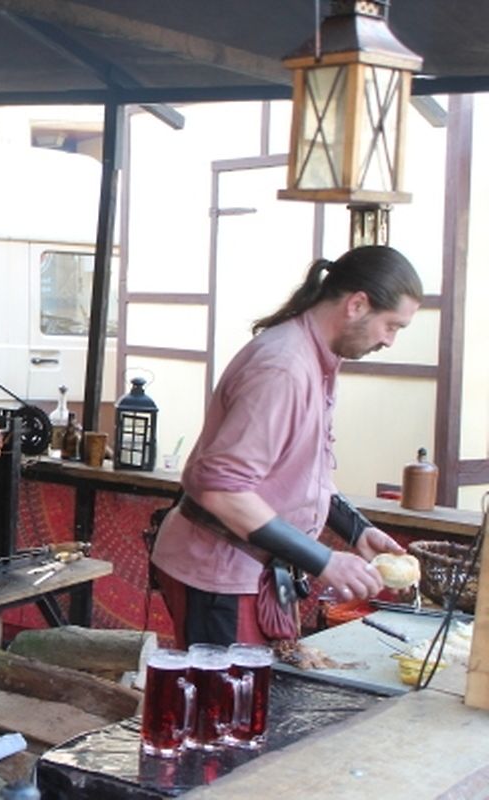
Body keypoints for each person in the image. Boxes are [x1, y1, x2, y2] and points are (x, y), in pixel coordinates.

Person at [150, 245, 423, 647]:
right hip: (220, 571)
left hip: (250, 570)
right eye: (391, 326)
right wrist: (323, 560)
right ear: (357, 305)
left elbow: (305, 473)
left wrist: (357, 531)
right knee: (227, 707)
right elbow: (221, 489)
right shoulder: (284, 366)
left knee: (252, 703)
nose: (389, 341)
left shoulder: (317, 359)